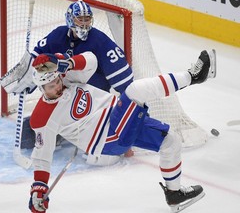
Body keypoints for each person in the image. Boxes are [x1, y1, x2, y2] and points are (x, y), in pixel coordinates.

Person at [28, 49, 216, 213]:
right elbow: (42, 157)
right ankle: (194, 75)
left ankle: (175, 195)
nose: (58, 86)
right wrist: (39, 188)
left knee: (171, 141)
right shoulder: (42, 117)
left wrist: (66, 63)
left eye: (57, 81)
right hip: (109, 137)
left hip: (119, 120)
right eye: (51, 86)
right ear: (41, 88)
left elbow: (92, 60)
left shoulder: (67, 76)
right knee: (135, 90)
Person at [21, 0, 135, 158]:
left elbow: (126, 84)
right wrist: (27, 81)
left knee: (97, 157)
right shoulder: (58, 35)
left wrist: (132, 125)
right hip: (64, 98)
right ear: (70, 19)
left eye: (87, 19)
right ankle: (62, 131)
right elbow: (38, 60)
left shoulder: (100, 42)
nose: (83, 23)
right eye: (79, 19)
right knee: (26, 134)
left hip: (91, 105)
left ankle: (68, 131)